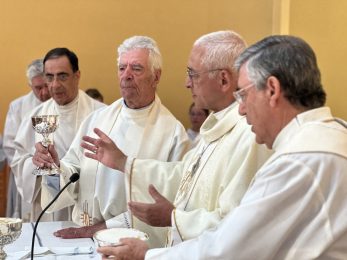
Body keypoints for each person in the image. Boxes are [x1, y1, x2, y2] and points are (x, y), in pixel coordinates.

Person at [97, 35, 347, 260]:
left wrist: (148, 255)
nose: (241, 108)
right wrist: (125, 164)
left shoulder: (300, 158)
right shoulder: (329, 135)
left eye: (244, 94)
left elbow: (232, 248)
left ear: (272, 89)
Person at [81, 30, 272, 248]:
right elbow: (183, 174)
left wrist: (174, 219)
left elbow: (237, 226)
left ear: (224, 79)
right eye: (122, 68)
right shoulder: (216, 127)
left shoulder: (249, 135)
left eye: (193, 73)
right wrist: (123, 163)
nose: (187, 83)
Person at [35, 36, 189, 248]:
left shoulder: (172, 133)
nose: (126, 76)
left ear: (156, 76)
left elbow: (165, 203)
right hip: (82, 237)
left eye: (136, 68)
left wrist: (101, 228)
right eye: (121, 68)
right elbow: (72, 175)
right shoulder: (98, 119)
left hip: (129, 244)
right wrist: (52, 168)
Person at [11, 48, 105, 222]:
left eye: (62, 76)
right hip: (49, 209)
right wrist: (35, 162)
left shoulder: (101, 114)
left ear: (77, 76)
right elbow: (18, 160)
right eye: (49, 76)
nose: (54, 85)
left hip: (88, 206)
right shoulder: (35, 116)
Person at [3, 59, 51, 219]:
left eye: (46, 85)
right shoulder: (18, 107)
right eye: (38, 88)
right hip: (26, 177)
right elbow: (10, 146)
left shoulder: (60, 104)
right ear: (30, 85)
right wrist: (31, 164)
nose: (44, 92)